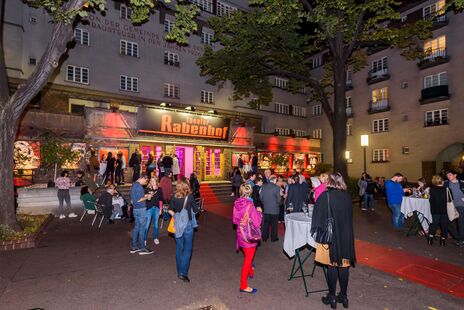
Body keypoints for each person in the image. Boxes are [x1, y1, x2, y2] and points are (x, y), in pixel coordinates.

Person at [311, 173, 356, 309]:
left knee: (331, 266)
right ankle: (343, 296)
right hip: (345, 235)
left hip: (330, 237)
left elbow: (317, 216)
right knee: (344, 265)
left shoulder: (326, 196)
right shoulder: (347, 196)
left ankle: (332, 298)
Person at [233, 183, 263, 294]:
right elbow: (257, 222)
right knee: (247, 260)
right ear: (250, 192)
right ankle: (243, 285)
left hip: (240, 234)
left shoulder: (237, 203)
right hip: (249, 237)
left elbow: (235, 220)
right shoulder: (250, 206)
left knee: (248, 256)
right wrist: (259, 212)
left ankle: (251, 271)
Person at [168, 181, 199, 282]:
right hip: (188, 225)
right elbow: (196, 210)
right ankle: (183, 273)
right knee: (187, 249)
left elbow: (170, 210)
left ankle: (179, 272)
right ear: (187, 187)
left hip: (178, 224)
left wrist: (176, 216)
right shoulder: (189, 197)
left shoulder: (173, 197)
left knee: (179, 247)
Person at [130, 174, 154, 255]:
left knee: (137, 227)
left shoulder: (134, 185)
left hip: (136, 209)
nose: (146, 183)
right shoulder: (139, 186)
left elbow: (135, 199)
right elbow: (139, 199)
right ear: (143, 178)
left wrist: (145, 196)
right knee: (142, 229)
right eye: (146, 181)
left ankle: (134, 247)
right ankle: (142, 248)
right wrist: (148, 196)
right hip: (141, 209)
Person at [428, 175, 449, 247]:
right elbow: (450, 199)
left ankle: (430, 238)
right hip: (445, 209)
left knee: (434, 224)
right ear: (441, 181)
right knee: (444, 225)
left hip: (435, 209)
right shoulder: (447, 189)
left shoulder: (431, 189)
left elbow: (431, 200)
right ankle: (442, 240)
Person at [444, 170, 464, 247]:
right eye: (447, 175)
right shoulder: (446, 183)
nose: (448, 177)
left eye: (450, 175)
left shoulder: (462, 182)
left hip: (461, 205)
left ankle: (461, 241)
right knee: (446, 222)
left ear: (455, 175)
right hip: (450, 206)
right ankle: (459, 237)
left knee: (461, 223)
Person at [259, 175, 281, 242]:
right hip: (274, 209)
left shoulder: (263, 186)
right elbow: (279, 199)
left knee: (266, 224)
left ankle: (264, 237)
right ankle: (273, 238)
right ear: (274, 180)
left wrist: (265, 203)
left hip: (266, 208)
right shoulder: (277, 187)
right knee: (274, 224)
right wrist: (278, 204)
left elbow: (261, 197)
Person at [145, 177, 163, 246]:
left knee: (155, 224)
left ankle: (155, 238)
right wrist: (148, 195)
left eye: (154, 181)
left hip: (157, 208)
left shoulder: (159, 189)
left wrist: (161, 209)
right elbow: (145, 198)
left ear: (156, 181)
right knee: (147, 225)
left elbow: (161, 200)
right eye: (151, 181)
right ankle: (144, 239)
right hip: (149, 208)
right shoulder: (147, 189)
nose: (152, 182)